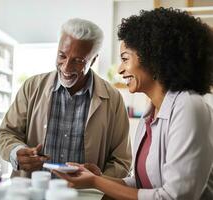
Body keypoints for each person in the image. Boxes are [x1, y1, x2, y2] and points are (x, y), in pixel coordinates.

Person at [54, 8, 213, 200]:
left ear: (153, 58)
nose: (120, 69)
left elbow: (174, 197)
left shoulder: (188, 106)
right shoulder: (150, 115)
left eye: (125, 59)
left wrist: (96, 182)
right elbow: (142, 183)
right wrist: (96, 177)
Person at [0, 18, 132, 178]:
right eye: (62, 56)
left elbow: (121, 160)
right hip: (33, 191)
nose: (66, 67)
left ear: (93, 60)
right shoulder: (32, 86)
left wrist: (98, 180)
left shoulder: (113, 99)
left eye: (78, 60)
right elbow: (6, 133)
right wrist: (16, 151)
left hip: (86, 196)